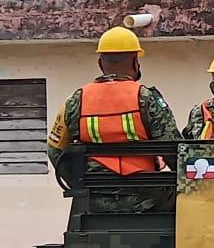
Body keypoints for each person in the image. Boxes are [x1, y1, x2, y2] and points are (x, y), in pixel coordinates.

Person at [46, 26, 180, 211]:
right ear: (135, 62)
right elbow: (174, 151)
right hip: (146, 200)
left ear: (101, 64)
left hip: (94, 200)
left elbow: (55, 151)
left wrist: (81, 185)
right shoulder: (147, 98)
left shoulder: (75, 100)